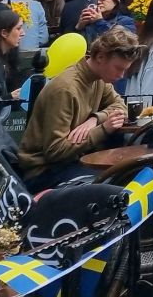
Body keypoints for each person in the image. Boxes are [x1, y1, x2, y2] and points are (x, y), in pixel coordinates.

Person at [17, 27, 134, 189]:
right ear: (100, 57)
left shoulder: (99, 78)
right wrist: (104, 129)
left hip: (72, 162)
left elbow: (121, 106)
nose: (121, 76)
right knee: (114, 186)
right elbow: (55, 151)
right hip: (43, 172)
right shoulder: (65, 88)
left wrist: (95, 119)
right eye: (119, 68)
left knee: (125, 176)